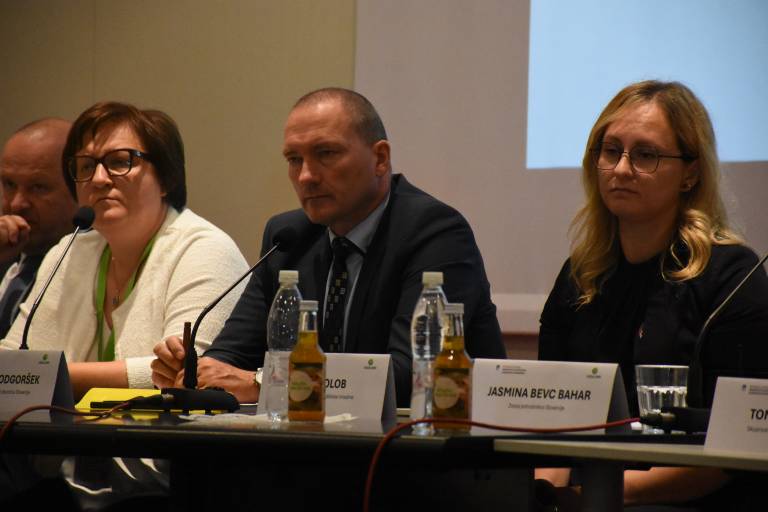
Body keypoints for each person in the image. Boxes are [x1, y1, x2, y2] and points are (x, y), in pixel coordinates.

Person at [152, 87, 506, 406]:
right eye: (294, 159)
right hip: (318, 447)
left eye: (326, 153)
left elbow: (413, 375)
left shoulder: (435, 232)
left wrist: (266, 383)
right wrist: (193, 371)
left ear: (380, 158)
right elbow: (231, 357)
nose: (306, 176)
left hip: (427, 448)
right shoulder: (287, 237)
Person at [537, 80, 768, 510]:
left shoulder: (732, 278)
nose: (622, 169)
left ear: (690, 173)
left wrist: (593, 497)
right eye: (611, 151)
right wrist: (544, 496)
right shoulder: (580, 275)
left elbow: (738, 446)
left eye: (646, 155)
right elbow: (551, 424)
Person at [1, 102, 248, 397]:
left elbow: (188, 373)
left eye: (120, 162)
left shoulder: (206, 250)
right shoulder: (69, 252)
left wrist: (44, 374)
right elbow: (11, 358)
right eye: (86, 166)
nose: (99, 179)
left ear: (165, 178)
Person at [0, 118, 78, 337]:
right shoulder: (6, 254)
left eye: (38, 187)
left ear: (80, 188)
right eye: (9, 184)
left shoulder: (98, 266)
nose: (17, 203)